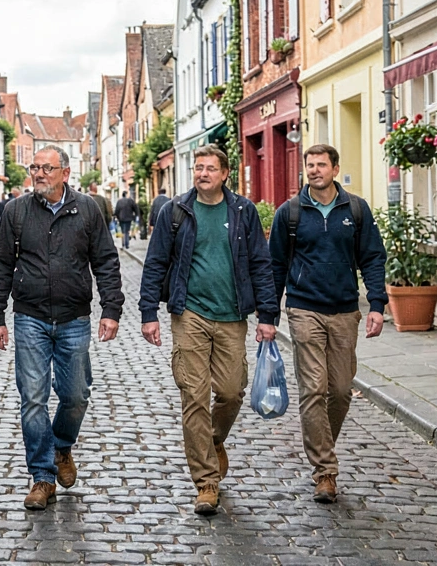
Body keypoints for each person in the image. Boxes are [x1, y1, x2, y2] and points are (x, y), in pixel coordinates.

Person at [138, 146, 276, 516]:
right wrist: (148, 312)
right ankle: (206, 482)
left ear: (225, 174)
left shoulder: (243, 211)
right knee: (194, 397)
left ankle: (213, 440)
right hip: (190, 315)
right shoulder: (176, 212)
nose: (202, 174)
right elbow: (155, 264)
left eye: (210, 168)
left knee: (231, 391)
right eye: (198, 167)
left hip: (233, 316)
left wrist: (268, 315)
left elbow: (262, 264)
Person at [0, 145, 124, 511]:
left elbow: (106, 261)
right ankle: (42, 477)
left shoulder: (87, 210)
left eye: (47, 168)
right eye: (35, 167)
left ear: (65, 173)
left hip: (74, 317)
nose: (39, 173)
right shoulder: (16, 211)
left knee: (76, 394)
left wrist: (111, 308)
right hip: (29, 316)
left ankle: (62, 444)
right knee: (32, 398)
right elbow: (0, 265)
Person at [269, 144, 387, 505]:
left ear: (336, 168)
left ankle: (322, 444)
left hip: (345, 311)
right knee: (313, 390)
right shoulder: (289, 213)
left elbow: (373, 257)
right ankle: (325, 472)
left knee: (339, 390)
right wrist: (269, 316)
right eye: (310, 165)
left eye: (321, 165)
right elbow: (274, 265)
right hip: (304, 309)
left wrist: (377, 305)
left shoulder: (356, 209)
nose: (315, 170)